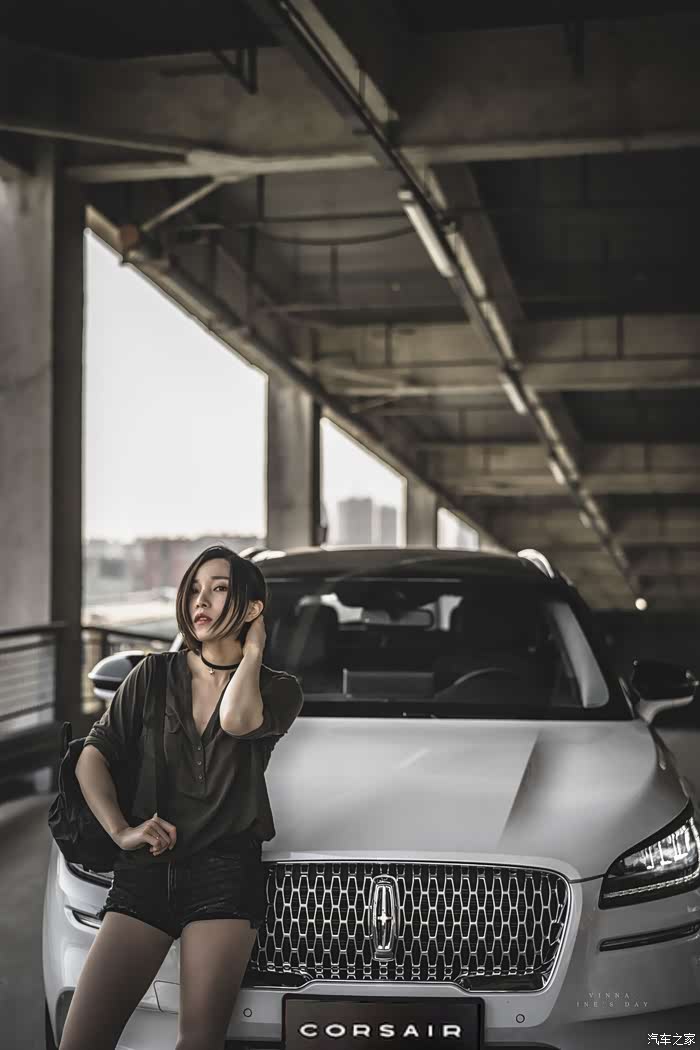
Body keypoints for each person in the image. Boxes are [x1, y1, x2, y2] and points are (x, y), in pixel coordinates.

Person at [59, 545, 304, 1050]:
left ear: (252, 607)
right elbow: (92, 756)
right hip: (146, 871)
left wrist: (252, 652)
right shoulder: (152, 675)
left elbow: (237, 721)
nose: (201, 600)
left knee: (198, 1041)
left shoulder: (279, 690)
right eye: (194, 589)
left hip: (223, 873)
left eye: (219, 589)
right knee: (82, 1039)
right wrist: (121, 831)